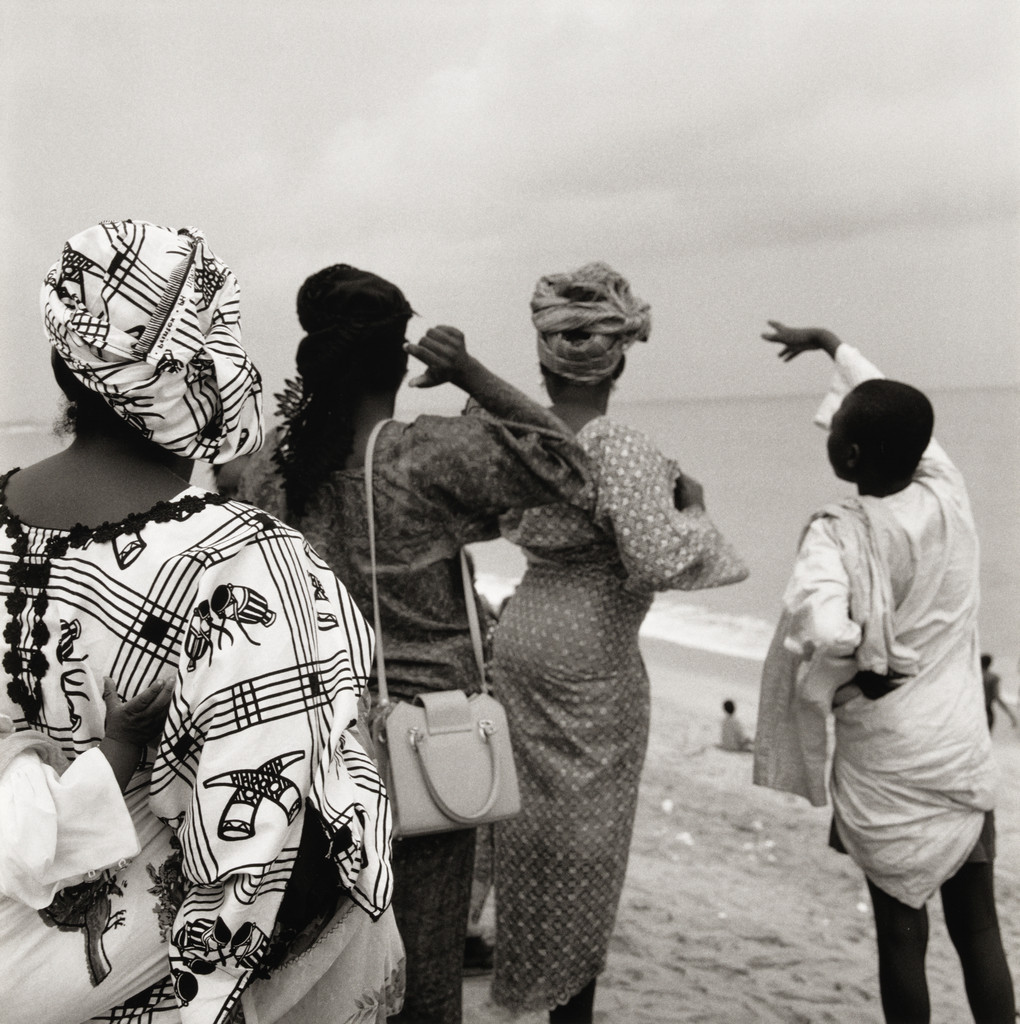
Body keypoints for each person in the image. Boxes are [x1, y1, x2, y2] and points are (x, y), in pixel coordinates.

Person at [0, 221, 401, 1024]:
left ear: (64, 358)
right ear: (208, 364)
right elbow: (269, 841)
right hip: (156, 983)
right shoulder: (249, 562)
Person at [236, 263, 588, 1024]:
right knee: (421, 973)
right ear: (402, 360)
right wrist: (472, 372)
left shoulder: (269, 467)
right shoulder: (425, 456)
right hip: (423, 748)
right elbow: (569, 465)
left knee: (319, 970)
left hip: (305, 745)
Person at [489, 262, 749, 1023]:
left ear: (544, 360)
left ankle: (522, 977)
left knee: (525, 835)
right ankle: (568, 1005)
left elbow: (501, 520)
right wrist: (694, 512)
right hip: (592, 660)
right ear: (620, 358)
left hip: (523, 630)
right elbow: (658, 560)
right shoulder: (624, 447)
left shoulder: (517, 435)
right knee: (585, 853)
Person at [753, 322, 1015, 1024]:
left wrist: (860, 662)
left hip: (889, 761)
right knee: (980, 930)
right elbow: (899, 413)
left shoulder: (840, 534)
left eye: (835, 425)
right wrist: (834, 346)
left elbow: (819, 621)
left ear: (853, 454)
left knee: (901, 938)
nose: (830, 429)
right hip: (957, 748)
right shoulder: (947, 492)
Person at [982, 653, 1017, 732]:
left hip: (971, 711)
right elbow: (997, 697)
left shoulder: (973, 676)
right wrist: (1010, 714)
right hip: (986, 711)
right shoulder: (992, 678)